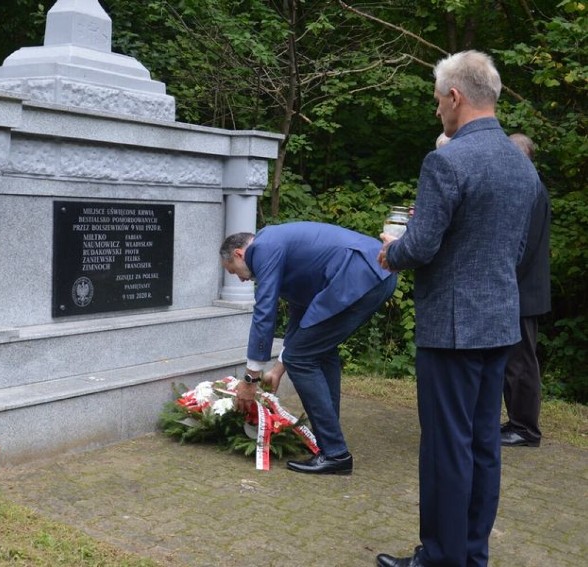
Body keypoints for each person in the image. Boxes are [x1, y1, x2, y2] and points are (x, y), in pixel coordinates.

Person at [375, 51, 541, 566]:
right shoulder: (520, 162)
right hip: (499, 324)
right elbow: (512, 248)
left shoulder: (446, 160)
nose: (437, 114)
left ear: (455, 97)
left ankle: (439, 558)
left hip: (451, 328)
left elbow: (421, 246)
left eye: (437, 103)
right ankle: (471, 555)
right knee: (483, 446)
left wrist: (390, 251)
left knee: (446, 449)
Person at [219, 222, 397, 475]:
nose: (241, 279)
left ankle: (335, 453)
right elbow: (302, 320)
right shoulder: (284, 252)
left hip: (361, 275)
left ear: (239, 253)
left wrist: (251, 378)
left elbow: (264, 312)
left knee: (302, 359)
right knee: (318, 352)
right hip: (375, 274)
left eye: (234, 271)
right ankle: (328, 438)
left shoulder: (263, 248)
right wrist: (278, 370)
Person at [501, 133, 551, 447]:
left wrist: (502, 277)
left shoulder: (530, 190)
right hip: (522, 288)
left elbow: (524, 247)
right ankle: (518, 422)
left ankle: (526, 428)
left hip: (522, 290)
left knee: (521, 361)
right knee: (515, 360)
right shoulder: (532, 187)